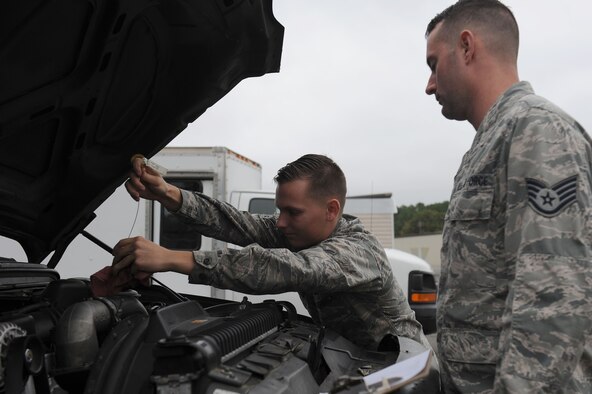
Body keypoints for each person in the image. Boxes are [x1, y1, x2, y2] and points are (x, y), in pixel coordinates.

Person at [424, 0, 592, 392]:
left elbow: (554, 298)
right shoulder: (491, 142)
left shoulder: (537, 130)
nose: (430, 84)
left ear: (467, 47)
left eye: (433, 64)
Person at [112, 153, 430, 351]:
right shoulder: (299, 233)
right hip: (349, 358)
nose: (280, 222)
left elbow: (289, 268)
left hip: (400, 371)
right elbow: (235, 223)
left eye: (292, 212)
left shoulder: (358, 251)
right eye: (280, 210)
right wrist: (167, 193)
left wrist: (172, 258)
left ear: (331, 210)